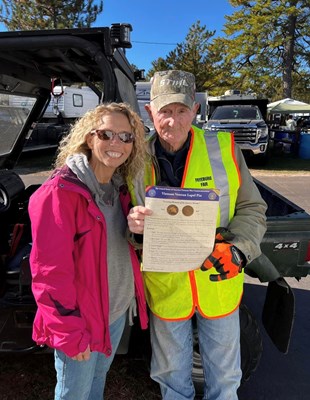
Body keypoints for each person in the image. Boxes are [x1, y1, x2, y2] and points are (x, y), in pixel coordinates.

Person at [127, 70, 267, 400]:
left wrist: (239, 250)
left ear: (194, 110)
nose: (172, 121)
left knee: (225, 381)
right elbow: (125, 219)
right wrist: (133, 225)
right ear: (150, 113)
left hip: (217, 283)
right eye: (164, 111)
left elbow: (252, 208)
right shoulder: (132, 161)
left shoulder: (225, 150)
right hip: (166, 288)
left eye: (180, 111)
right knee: (172, 380)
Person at [28, 102, 148, 400]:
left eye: (125, 136)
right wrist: (69, 333)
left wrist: (137, 231)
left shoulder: (119, 189)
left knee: (96, 388)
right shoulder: (60, 193)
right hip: (81, 321)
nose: (116, 143)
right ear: (89, 137)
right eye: (106, 133)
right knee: (74, 395)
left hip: (115, 313)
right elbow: (49, 275)